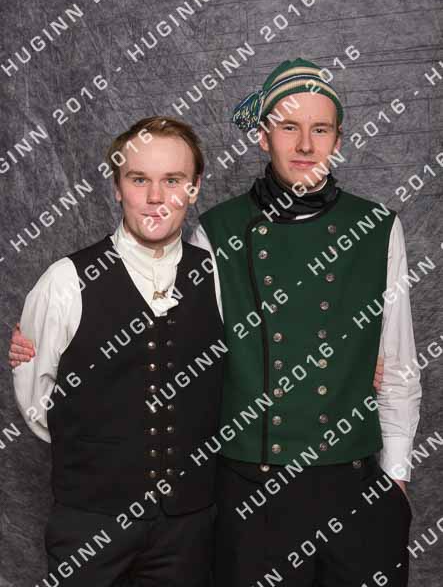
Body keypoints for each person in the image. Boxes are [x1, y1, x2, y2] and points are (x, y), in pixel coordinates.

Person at [188, 58, 422, 586]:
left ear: (337, 140)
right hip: (252, 492)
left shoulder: (378, 227)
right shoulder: (215, 231)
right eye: (288, 127)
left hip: (355, 485)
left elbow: (399, 365)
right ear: (263, 136)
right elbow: (189, 360)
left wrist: (397, 475)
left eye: (320, 129)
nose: (305, 145)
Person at [9, 116, 224, 586]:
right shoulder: (65, 281)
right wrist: (99, 452)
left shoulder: (219, 276)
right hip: (90, 521)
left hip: (189, 525)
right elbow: (37, 403)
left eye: (173, 180)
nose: (155, 197)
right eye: (139, 179)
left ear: (194, 188)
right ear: (116, 186)